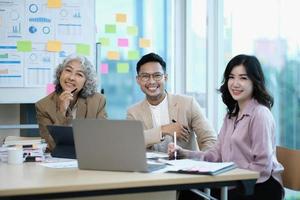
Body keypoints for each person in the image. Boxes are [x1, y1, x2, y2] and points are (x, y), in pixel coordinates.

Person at [168, 54, 284, 200]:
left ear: (255, 82)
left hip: (260, 186)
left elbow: (262, 166)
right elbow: (215, 156)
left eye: (243, 78)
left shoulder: (260, 114)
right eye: (231, 77)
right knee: (186, 192)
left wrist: (229, 178)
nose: (235, 83)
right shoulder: (231, 116)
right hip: (234, 182)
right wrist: (183, 153)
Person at [127, 52, 216, 153]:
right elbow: (131, 142)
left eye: (157, 75)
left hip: (185, 166)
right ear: (138, 80)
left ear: (165, 78)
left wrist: (200, 159)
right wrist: (164, 130)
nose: (151, 81)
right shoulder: (133, 112)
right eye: (145, 76)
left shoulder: (187, 104)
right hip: (149, 168)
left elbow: (210, 140)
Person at [35, 54, 107, 152]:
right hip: (58, 162)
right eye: (68, 70)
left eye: (79, 74)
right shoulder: (43, 106)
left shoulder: (98, 101)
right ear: (60, 73)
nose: (72, 77)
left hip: (89, 157)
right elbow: (51, 145)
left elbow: (102, 138)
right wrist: (62, 112)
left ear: (86, 82)